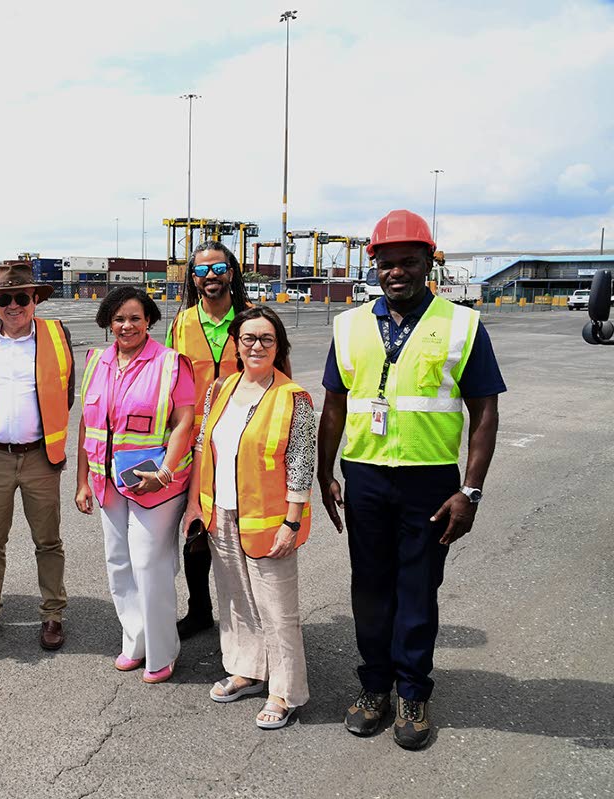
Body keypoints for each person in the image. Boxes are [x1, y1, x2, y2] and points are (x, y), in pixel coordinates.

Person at [318, 209, 504, 750]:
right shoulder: (348, 324)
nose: (396, 271)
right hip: (366, 478)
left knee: (418, 589)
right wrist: (326, 473)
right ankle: (375, 687)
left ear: (429, 263)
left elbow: (484, 413)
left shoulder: (462, 325)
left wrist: (469, 491)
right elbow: (334, 405)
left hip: (429, 483)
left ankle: (414, 691)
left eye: (408, 262)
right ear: (373, 265)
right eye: (386, 263)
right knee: (370, 588)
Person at [181, 306, 315, 729]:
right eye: (248, 339)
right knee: (235, 599)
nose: (256, 346)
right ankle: (248, 669)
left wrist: (292, 522)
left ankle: (285, 690)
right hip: (220, 512)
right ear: (237, 345)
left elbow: (301, 462)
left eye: (266, 339)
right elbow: (203, 445)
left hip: (269, 520)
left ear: (279, 346)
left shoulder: (294, 397)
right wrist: (194, 507)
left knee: (277, 609)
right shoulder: (221, 387)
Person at [75, 286, 195, 684]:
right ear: (108, 322)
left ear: (149, 321)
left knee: (149, 563)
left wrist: (163, 472)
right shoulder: (96, 360)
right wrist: (82, 482)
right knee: (119, 564)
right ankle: (135, 641)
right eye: (119, 318)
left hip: (154, 484)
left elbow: (184, 423)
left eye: (135, 318)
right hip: (107, 480)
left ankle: (162, 652)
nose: (127, 325)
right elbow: (87, 424)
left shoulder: (170, 363)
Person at [0, 262, 75, 650]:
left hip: (40, 458)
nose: (14, 305)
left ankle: (52, 614)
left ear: (34, 300)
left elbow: (67, 392)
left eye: (21, 297)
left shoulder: (56, 335)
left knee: (48, 541)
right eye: (5, 298)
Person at [166, 241, 251, 640]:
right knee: (195, 529)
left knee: (241, 530)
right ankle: (199, 609)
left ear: (231, 273)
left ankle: (248, 618)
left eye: (218, 269)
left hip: (242, 442)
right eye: (201, 272)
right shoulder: (181, 324)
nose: (210, 277)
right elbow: (166, 381)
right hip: (193, 445)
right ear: (193, 280)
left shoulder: (252, 320)